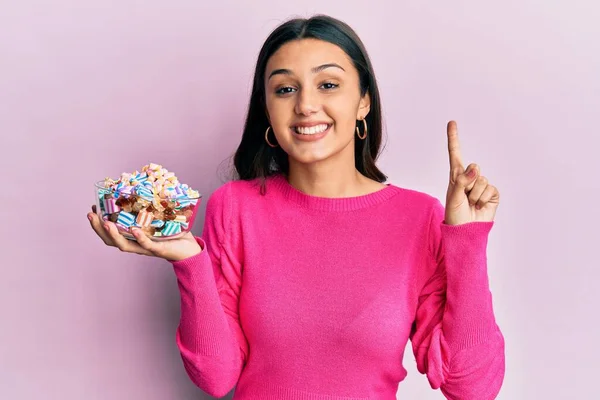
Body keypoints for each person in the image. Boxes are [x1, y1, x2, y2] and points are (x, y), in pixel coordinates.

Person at [87, 14, 505, 400]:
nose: (305, 105)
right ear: (267, 110)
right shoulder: (235, 208)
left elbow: (470, 386)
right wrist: (190, 260)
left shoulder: (419, 217)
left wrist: (468, 241)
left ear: (363, 102)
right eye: (285, 89)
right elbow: (216, 377)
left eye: (328, 85)